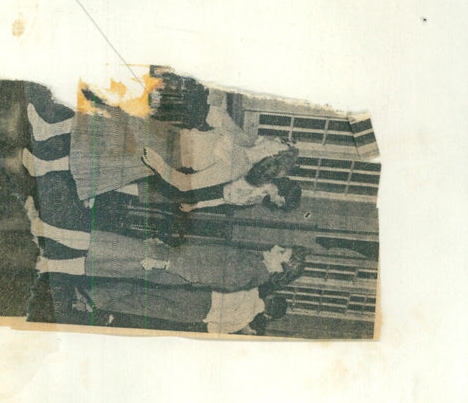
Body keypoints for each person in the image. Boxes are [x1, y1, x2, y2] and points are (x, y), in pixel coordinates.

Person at [23, 93, 296, 201]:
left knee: (101, 156)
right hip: (169, 134)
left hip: (167, 154)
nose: (276, 137)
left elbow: (186, 184)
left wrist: (158, 165)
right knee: (105, 120)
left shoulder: (239, 167)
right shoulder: (243, 140)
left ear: (275, 155)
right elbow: (215, 114)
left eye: (281, 141)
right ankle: (48, 130)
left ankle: (43, 167)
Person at [24, 198, 306, 291]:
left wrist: (165, 262)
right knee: (102, 257)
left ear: (282, 266)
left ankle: (42, 230)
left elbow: (203, 274)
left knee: (101, 245)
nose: (277, 247)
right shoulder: (254, 265)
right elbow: (203, 258)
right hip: (166, 260)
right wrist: (165, 251)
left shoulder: (251, 272)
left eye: (282, 252)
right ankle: (46, 262)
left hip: (165, 266)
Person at [68, 281, 288, 335]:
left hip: (198, 293)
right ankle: (90, 305)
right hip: (194, 313)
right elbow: (212, 329)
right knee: (142, 306)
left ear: (270, 296)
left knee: (145, 287)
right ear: (268, 315)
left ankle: (93, 295)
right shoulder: (244, 320)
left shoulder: (251, 287)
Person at [178, 175, 303, 213]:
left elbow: (224, 200)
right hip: (210, 183)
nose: (278, 204)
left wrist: (195, 206)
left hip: (210, 195)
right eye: (281, 202)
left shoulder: (259, 199)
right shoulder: (260, 177)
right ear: (282, 192)